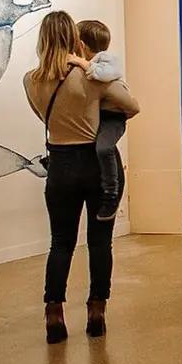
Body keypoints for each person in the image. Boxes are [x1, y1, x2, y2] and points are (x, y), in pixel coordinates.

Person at [25, 11, 139, 342]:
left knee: (60, 242)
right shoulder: (91, 77)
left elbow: (42, 116)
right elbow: (131, 105)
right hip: (96, 164)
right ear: (74, 41)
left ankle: (54, 310)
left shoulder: (30, 80)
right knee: (99, 242)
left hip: (60, 165)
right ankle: (96, 309)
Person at [76, 20, 127, 224]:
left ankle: (111, 193)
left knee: (104, 148)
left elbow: (105, 76)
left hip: (112, 117)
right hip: (101, 115)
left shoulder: (106, 60)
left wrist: (84, 64)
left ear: (81, 44)